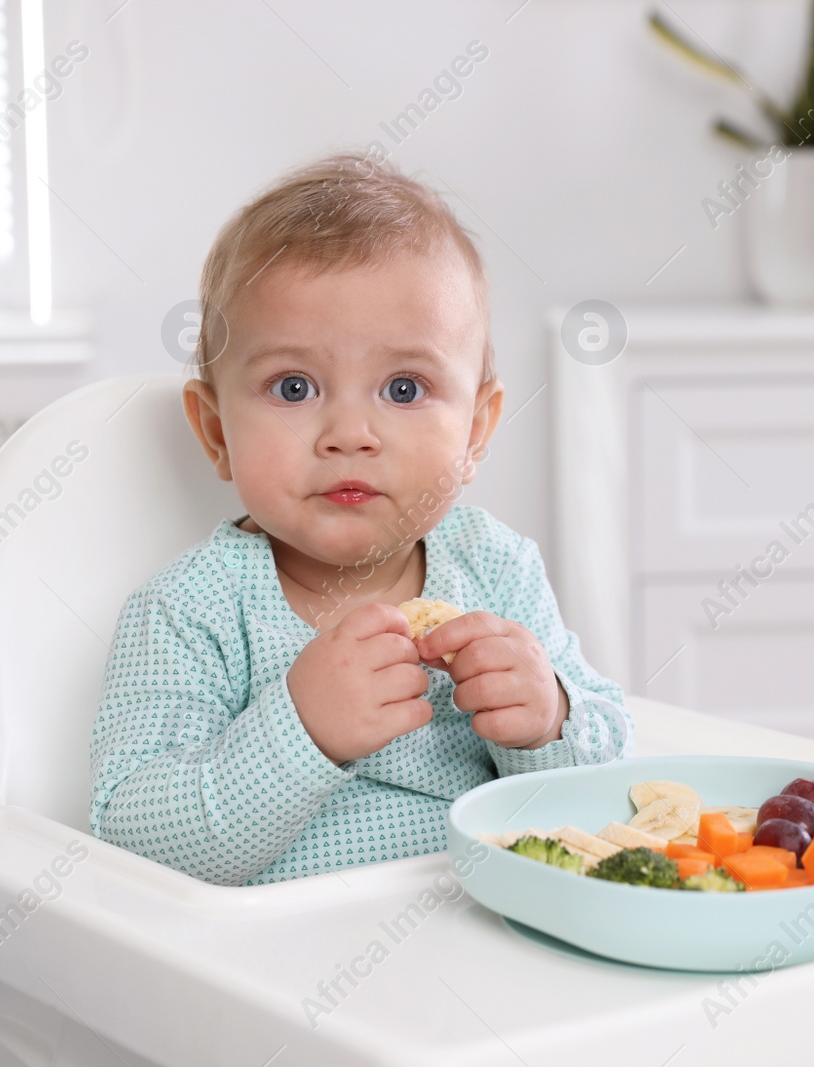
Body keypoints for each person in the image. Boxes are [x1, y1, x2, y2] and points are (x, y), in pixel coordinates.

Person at [89, 154, 629, 885]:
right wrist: (300, 730)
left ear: (475, 431)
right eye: (294, 385)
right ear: (216, 432)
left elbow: (606, 788)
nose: (350, 432)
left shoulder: (497, 569)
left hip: (490, 936)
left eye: (404, 388)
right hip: (277, 969)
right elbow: (133, 841)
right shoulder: (190, 611)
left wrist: (548, 721)